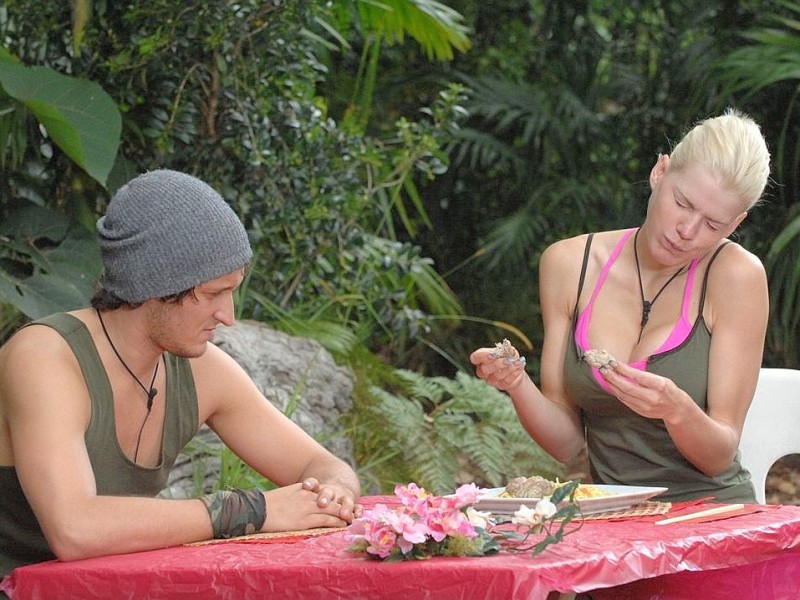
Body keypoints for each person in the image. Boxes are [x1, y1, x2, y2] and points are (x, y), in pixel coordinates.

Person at [0, 170, 362, 578]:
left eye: (232, 291)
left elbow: (321, 463)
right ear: (153, 285)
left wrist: (334, 493)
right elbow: (74, 529)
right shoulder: (46, 358)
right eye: (211, 295)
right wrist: (246, 511)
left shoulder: (202, 370)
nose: (228, 316)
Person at [471, 109, 771, 503]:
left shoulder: (736, 276)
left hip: (713, 517)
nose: (688, 231)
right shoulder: (568, 264)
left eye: (713, 225)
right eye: (682, 203)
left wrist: (676, 409)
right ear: (660, 173)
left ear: (735, 224)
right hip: (618, 521)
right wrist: (515, 384)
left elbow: (718, 457)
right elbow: (566, 446)